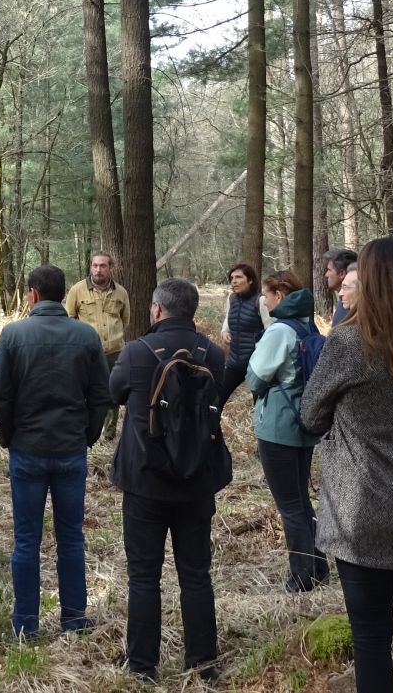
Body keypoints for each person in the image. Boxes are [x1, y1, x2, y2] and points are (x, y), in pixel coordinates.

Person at [300, 237, 393, 693]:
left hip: (363, 509)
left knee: (370, 638)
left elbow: (310, 413)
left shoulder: (351, 342)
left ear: (369, 280)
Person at [109, 278, 231, 683]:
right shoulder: (213, 354)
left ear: (157, 310)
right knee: (196, 575)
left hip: (145, 481)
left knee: (144, 576)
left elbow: (114, 393)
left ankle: (143, 667)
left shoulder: (136, 352)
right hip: (197, 481)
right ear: (192, 311)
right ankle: (203, 664)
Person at [0, 264, 111, 639]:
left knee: (27, 540)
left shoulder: (13, 334)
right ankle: (74, 619)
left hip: (28, 449)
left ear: (33, 294)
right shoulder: (86, 335)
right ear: (63, 294)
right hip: (70, 448)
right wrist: (87, 435)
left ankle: (26, 625)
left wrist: (9, 435)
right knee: (71, 538)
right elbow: (101, 396)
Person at [244, 269, 328, 592]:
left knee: (290, 505)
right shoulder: (307, 325)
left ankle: (301, 577)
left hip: (278, 427)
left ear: (279, 295)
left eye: (266, 295)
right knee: (302, 500)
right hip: (305, 423)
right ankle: (318, 567)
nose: (263, 302)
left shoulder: (279, 331)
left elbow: (254, 378)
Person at [65, 250, 130, 438]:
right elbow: (69, 319)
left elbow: (125, 320)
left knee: (112, 392)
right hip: (87, 352)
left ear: (111, 268)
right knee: (84, 390)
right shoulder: (77, 290)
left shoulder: (121, 292)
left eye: (103, 266)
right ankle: (84, 428)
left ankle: (109, 432)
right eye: (95, 265)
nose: (98, 270)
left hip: (114, 352)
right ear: (90, 267)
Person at [217, 262, 264, 402]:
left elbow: (271, 330)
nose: (234, 281)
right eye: (232, 278)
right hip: (234, 362)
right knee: (216, 400)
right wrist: (224, 331)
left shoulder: (261, 300)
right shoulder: (231, 298)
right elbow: (228, 317)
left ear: (250, 280)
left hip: (256, 365)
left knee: (259, 407)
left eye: (238, 277)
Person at [321, 249, 359, 332]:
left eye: (329, 270)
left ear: (341, 274)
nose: (326, 274)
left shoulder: (348, 307)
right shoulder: (344, 303)